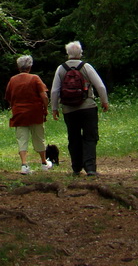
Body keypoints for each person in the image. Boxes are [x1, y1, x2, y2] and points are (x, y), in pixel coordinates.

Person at [51, 41, 109, 176]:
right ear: (80, 53)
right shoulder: (86, 67)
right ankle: (90, 168)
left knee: (74, 137)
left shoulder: (61, 68)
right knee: (90, 137)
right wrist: (104, 101)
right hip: (88, 107)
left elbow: (54, 91)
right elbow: (100, 86)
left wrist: (54, 108)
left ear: (68, 54)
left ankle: (76, 168)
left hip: (69, 109)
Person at [5, 55, 53, 175]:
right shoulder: (35, 78)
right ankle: (43, 163)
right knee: (39, 137)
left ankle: (24, 165)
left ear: (18, 67)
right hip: (35, 113)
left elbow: (9, 98)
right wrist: (45, 108)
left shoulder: (13, 80)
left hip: (19, 114)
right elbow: (44, 96)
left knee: (22, 139)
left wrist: (15, 106)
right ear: (30, 67)